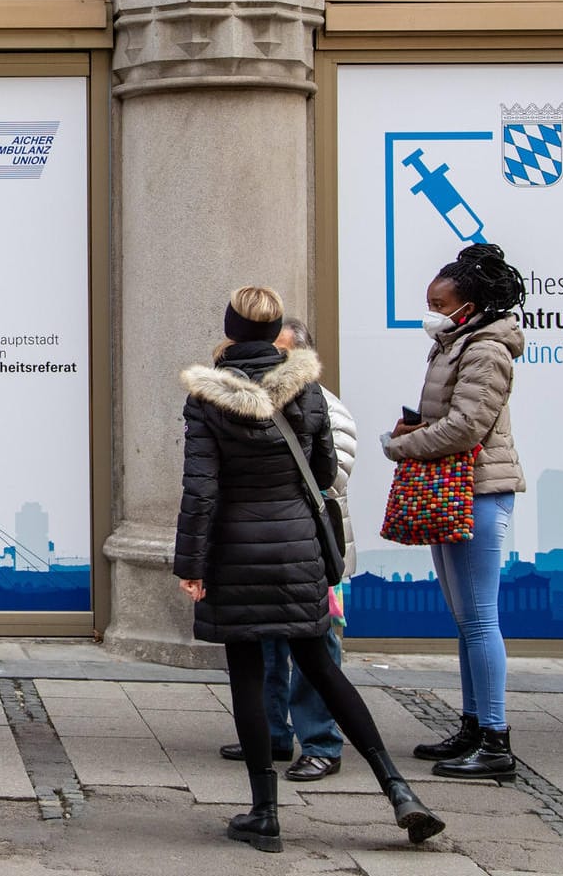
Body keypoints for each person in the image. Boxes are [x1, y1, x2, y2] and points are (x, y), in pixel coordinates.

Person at [177, 286, 442, 853]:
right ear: (276, 334)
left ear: (230, 330)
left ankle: (264, 814)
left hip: (235, 553)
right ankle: (399, 791)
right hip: (297, 549)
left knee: (246, 675)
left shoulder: (206, 399)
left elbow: (201, 490)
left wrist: (191, 566)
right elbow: (322, 472)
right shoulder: (308, 389)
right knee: (323, 668)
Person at [385, 243, 526, 782]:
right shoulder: (456, 343)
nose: (433, 312)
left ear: (470, 305)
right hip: (459, 488)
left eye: (440, 303)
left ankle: (494, 740)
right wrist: (416, 425)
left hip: (479, 490)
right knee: (467, 620)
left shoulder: (486, 350)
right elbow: (448, 416)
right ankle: (472, 726)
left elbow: (468, 426)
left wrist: (400, 445)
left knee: (480, 618)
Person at [217, 317, 357, 782]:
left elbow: (331, 476)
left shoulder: (322, 404)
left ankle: (321, 744)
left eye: (276, 350)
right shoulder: (246, 403)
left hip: (308, 552)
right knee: (268, 646)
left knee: (318, 651)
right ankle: (274, 733)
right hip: (271, 547)